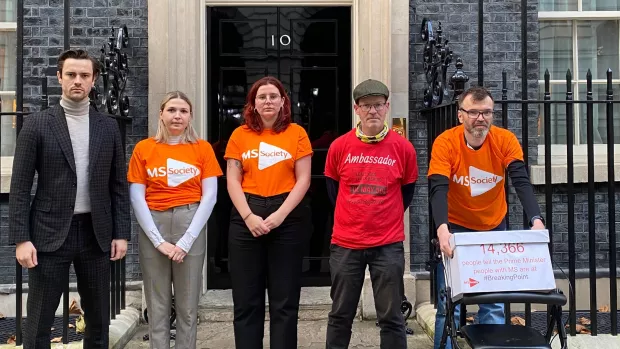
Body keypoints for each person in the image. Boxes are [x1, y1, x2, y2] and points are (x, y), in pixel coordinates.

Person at [8, 49, 130, 348]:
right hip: (48, 236)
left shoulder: (109, 126)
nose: (78, 81)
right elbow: (20, 186)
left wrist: (121, 234)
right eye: (72, 75)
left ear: (94, 80)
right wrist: (21, 239)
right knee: (39, 323)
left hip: (96, 235)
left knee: (99, 324)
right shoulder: (37, 124)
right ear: (60, 77)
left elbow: (118, 184)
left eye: (85, 75)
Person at [428, 86, 546, 349]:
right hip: (456, 228)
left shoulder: (504, 140)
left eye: (486, 112)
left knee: (493, 302)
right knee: (450, 303)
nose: (480, 118)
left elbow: (520, 180)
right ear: (460, 115)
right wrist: (442, 228)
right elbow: (438, 187)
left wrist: (535, 219)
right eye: (473, 112)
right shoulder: (446, 142)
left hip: (493, 227)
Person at [324, 79, 419, 349]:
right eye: (366, 106)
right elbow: (332, 190)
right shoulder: (339, 147)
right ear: (357, 109)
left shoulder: (403, 149)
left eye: (378, 105)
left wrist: (383, 216)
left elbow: (406, 193)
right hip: (346, 244)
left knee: (391, 317)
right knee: (340, 314)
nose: (372, 111)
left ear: (387, 107)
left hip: (387, 245)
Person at [127, 91, 223, 349]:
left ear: (190, 116)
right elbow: (137, 197)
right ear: (161, 114)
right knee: (157, 305)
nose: (177, 116)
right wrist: (159, 242)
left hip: (190, 220)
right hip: (153, 222)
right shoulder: (144, 149)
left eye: (183, 111)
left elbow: (210, 196)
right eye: (171, 110)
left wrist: (187, 240)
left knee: (188, 305)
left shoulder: (202, 148)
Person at [224, 76, 313, 349]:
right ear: (252, 103)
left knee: (285, 301)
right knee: (246, 299)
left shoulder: (297, 133)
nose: (268, 101)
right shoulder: (240, 135)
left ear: (283, 101)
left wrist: (280, 215)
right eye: (261, 97)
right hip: (245, 218)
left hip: (287, 219)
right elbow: (232, 180)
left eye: (273, 96)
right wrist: (249, 217)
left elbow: (304, 179)